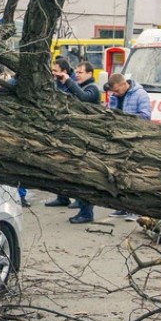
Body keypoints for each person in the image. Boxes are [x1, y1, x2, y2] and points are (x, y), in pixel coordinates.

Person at [55, 60, 102, 224]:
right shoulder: (82, 87)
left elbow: (83, 98)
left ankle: (87, 213)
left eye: (81, 72)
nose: (78, 75)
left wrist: (68, 80)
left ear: (90, 74)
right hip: (81, 138)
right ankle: (83, 209)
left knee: (86, 177)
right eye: (78, 72)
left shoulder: (93, 89)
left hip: (90, 141)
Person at [106, 72, 152, 220]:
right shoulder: (115, 96)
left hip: (135, 140)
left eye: (118, 90)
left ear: (124, 84)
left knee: (134, 175)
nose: (116, 94)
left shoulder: (141, 94)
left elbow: (145, 116)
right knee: (119, 174)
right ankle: (122, 207)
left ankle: (135, 209)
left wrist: (125, 119)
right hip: (119, 140)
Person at [43, 57, 79, 208]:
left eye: (55, 71)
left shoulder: (74, 84)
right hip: (58, 126)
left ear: (64, 72)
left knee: (75, 167)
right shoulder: (55, 82)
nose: (53, 73)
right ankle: (62, 196)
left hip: (72, 129)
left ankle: (79, 198)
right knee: (58, 164)